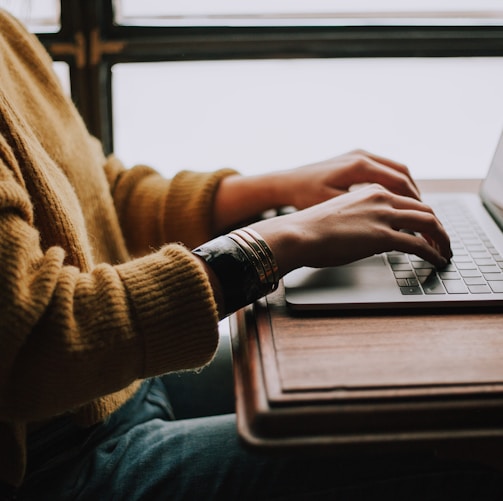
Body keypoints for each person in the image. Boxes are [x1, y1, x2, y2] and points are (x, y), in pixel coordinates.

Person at [0, 8, 501, 501]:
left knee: (397, 382)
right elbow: (38, 341)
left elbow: (98, 195)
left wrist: (277, 188)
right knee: (457, 445)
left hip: (113, 388)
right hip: (56, 463)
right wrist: (282, 239)